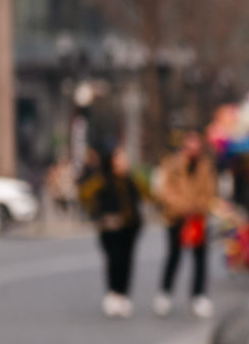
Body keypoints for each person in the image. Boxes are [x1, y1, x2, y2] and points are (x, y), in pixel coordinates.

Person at [152, 130, 219, 318]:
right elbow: (165, 190)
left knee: (200, 259)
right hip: (176, 218)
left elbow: (210, 192)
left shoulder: (206, 167)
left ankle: (198, 296)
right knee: (174, 256)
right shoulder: (172, 164)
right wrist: (182, 207)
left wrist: (198, 207)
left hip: (197, 218)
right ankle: (165, 293)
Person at [81, 144, 142, 317]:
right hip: (109, 227)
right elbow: (85, 195)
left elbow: (142, 196)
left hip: (130, 226)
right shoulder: (101, 180)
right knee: (114, 260)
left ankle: (123, 294)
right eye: (120, 158)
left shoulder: (130, 180)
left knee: (127, 261)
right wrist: (98, 215)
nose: (124, 162)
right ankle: (113, 293)